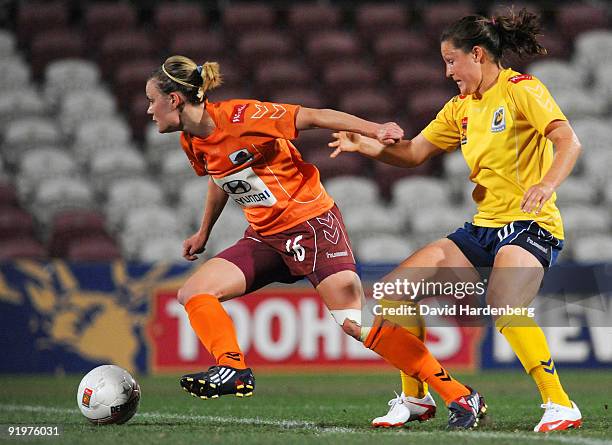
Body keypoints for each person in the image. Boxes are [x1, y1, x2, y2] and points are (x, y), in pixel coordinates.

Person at [146, 55, 486, 429]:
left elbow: (315, 115)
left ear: (174, 100)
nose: (149, 110)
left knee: (353, 323)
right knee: (194, 292)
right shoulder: (191, 140)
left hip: (310, 225)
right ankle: (232, 367)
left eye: (152, 100)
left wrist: (376, 129)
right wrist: (204, 232)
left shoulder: (243, 117)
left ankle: (459, 395)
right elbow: (219, 175)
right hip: (264, 237)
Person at [329, 9, 583, 432]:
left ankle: (560, 405)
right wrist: (370, 148)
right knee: (393, 294)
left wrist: (546, 185)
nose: (447, 71)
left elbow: (567, 141)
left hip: (530, 225)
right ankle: (416, 399)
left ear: (478, 55)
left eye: (451, 60)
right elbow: (412, 154)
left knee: (505, 304)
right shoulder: (460, 108)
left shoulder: (523, 89)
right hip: (482, 229)